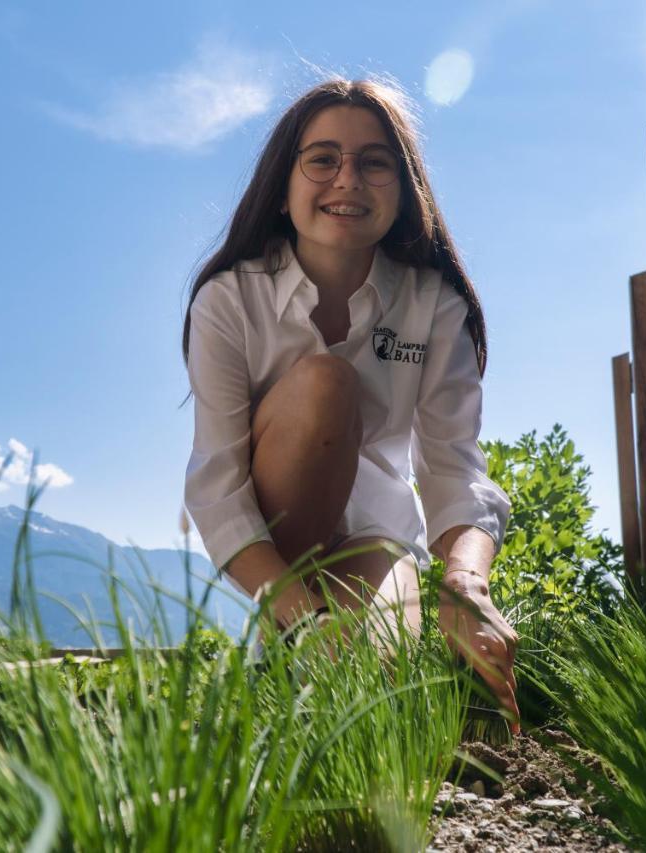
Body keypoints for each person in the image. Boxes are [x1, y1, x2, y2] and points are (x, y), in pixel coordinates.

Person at [181, 78, 519, 734]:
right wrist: (306, 618)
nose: (347, 179)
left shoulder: (434, 305)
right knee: (327, 385)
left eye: (373, 162)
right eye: (323, 159)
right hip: (275, 531)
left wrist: (465, 582)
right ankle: (287, 627)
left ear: (404, 188)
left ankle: (299, 673)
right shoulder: (227, 303)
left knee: (373, 695)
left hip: (377, 533)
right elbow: (217, 490)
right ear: (284, 187)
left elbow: (454, 471)